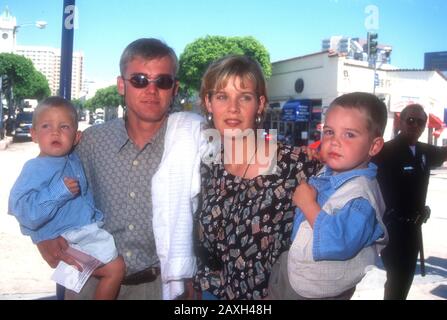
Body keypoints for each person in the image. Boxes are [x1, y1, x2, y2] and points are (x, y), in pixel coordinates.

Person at [35, 38, 203, 300]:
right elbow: (41, 180)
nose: (151, 89)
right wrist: (41, 237)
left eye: (163, 81)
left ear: (174, 88)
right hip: (91, 280)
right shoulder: (92, 141)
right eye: (139, 80)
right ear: (121, 85)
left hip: (161, 287)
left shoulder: (190, 141)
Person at [193, 55, 318, 300]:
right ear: (208, 103)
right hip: (209, 293)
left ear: (260, 104)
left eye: (245, 97)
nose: (232, 108)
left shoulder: (295, 166)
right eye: (221, 96)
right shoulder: (205, 163)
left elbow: (335, 245)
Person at [268, 92, 388, 300]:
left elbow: (338, 241)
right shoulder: (333, 172)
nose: (334, 142)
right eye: (330, 132)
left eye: (349, 134)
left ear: (374, 146)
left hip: (315, 291)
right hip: (296, 272)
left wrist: (308, 204)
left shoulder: (360, 198)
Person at [8, 97, 126, 300]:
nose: (55, 132)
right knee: (115, 269)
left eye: (64, 127)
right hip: (70, 235)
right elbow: (21, 209)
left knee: (75, 285)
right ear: (34, 134)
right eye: (46, 126)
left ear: (76, 137)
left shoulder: (72, 157)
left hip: (77, 231)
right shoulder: (34, 168)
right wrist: (57, 193)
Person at [373, 103, 447, 300]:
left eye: (420, 122)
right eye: (410, 120)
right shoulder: (385, 151)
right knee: (397, 279)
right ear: (400, 121)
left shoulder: (424, 151)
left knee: (404, 280)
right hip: (392, 229)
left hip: (414, 229)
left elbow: (445, 152)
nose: (415, 125)